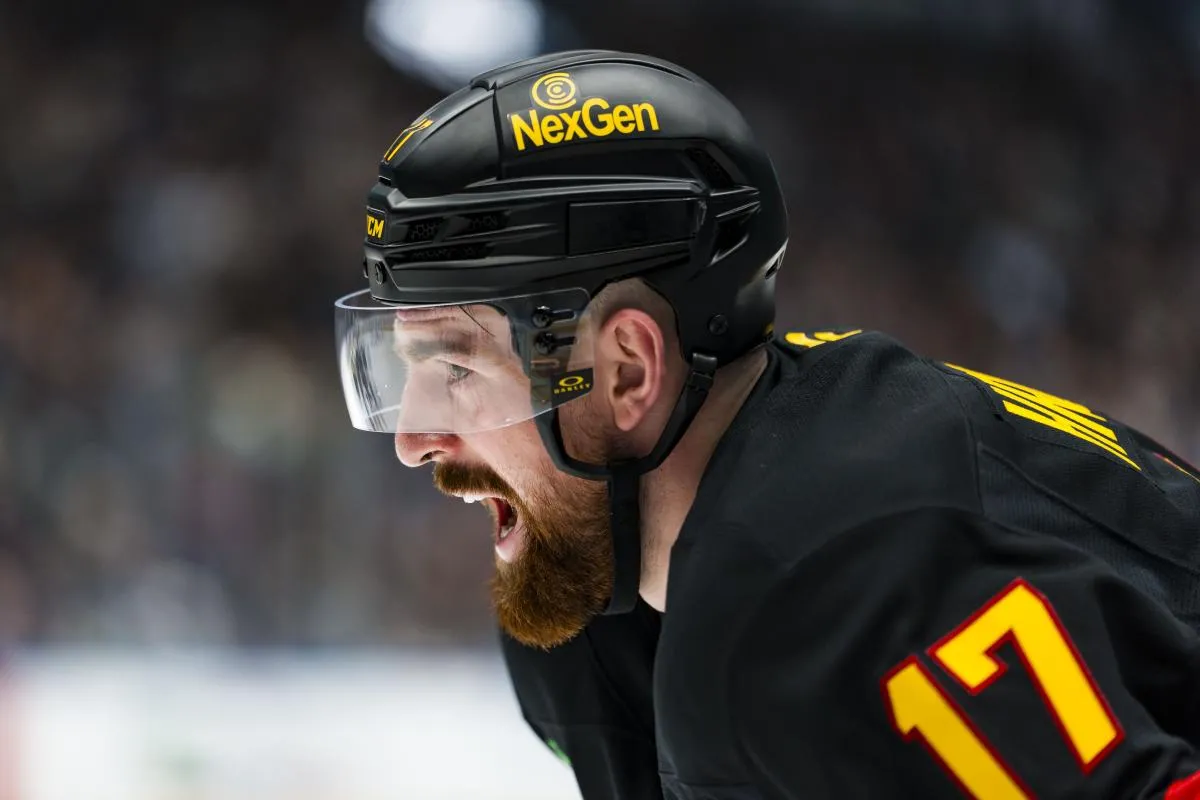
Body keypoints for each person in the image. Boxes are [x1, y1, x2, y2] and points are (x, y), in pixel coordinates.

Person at [333, 49, 1200, 799]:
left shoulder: (824, 585)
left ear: (628, 371)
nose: (412, 439)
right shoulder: (604, 606)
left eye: (456, 369)